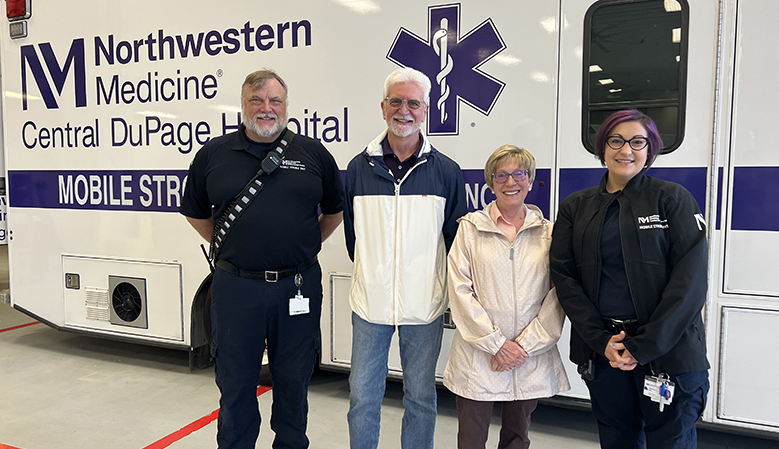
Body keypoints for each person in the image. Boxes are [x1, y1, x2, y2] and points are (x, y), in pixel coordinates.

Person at [180, 69, 344, 449]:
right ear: (242, 105)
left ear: (286, 106)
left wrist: (301, 247)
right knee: (236, 385)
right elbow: (195, 211)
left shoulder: (313, 153)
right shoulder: (214, 154)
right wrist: (233, 248)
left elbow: (335, 210)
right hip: (236, 288)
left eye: (275, 101)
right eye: (257, 100)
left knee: (293, 381)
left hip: (297, 286)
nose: (266, 108)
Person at [549, 109, 709, 449]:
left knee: (672, 441)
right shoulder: (576, 207)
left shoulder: (672, 199)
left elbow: (690, 283)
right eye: (616, 140)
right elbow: (565, 277)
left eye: (638, 141)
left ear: (650, 149)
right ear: (602, 147)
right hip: (605, 354)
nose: (626, 150)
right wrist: (601, 341)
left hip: (668, 353)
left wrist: (643, 346)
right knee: (617, 440)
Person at [343, 67, 467, 449]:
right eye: (396, 102)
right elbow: (353, 238)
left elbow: (455, 240)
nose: (404, 111)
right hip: (370, 307)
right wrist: (374, 276)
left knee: (421, 399)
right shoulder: (358, 168)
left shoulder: (446, 171)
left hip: (424, 308)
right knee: (362, 398)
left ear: (426, 111)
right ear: (383, 108)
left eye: (413, 103)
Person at [444, 145, 570, 449]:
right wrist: (497, 345)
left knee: (517, 437)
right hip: (481, 354)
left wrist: (522, 348)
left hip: (529, 357)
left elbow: (558, 295)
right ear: (490, 182)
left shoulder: (549, 233)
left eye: (519, 174)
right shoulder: (470, 229)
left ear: (530, 181)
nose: (510, 182)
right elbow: (460, 290)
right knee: (471, 439)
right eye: (501, 175)